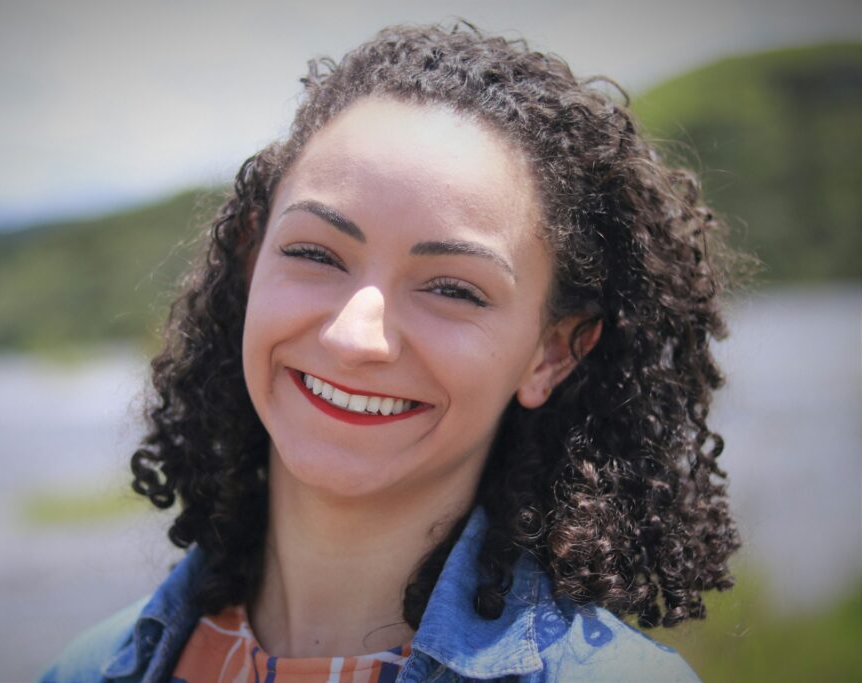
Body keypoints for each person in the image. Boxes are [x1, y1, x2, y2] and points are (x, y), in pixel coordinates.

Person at [40, 22, 739, 683]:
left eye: (453, 289)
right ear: (252, 260)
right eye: (315, 252)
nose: (355, 335)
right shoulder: (88, 667)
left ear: (551, 353)